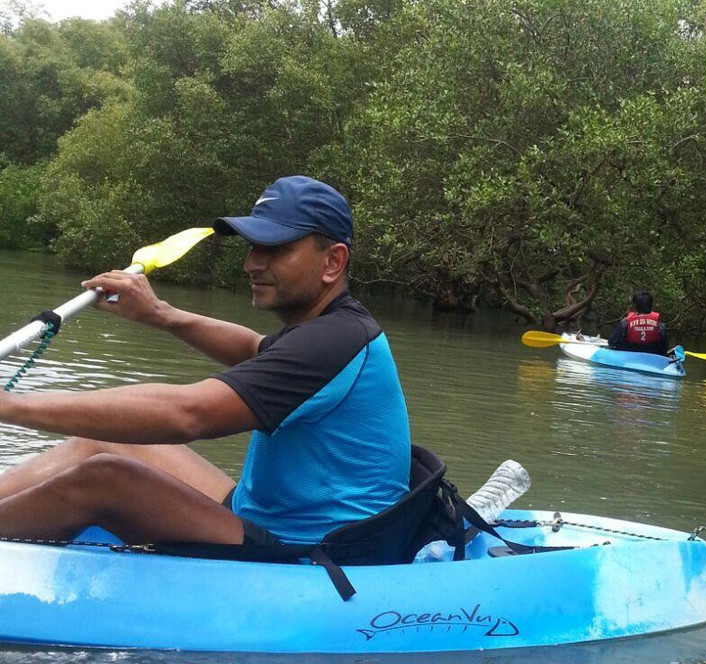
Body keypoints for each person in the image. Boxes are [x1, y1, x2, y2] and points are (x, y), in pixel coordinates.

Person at [0, 175, 411, 550]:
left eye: (275, 249)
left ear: (332, 262)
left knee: (105, 478)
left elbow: (186, 414)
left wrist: (11, 406)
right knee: (106, 443)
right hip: (258, 512)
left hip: (307, 548)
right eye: (253, 247)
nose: (252, 263)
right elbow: (254, 349)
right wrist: (161, 314)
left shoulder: (332, 339)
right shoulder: (325, 327)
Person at [607, 291, 669, 355]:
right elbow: (664, 349)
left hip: (629, 359)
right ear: (651, 305)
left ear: (635, 306)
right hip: (652, 359)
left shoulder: (625, 323)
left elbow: (612, 342)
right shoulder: (660, 326)